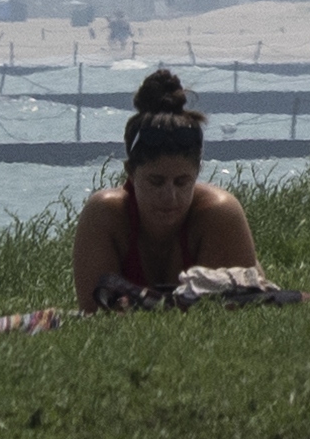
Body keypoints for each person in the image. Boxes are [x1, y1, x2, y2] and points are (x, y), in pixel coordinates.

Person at [73, 69, 261, 306]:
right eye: (156, 181)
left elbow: (232, 313)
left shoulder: (218, 215)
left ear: (197, 174)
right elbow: (94, 312)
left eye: (182, 182)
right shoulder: (105, 216)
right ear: (130, 172)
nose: (170, 196)